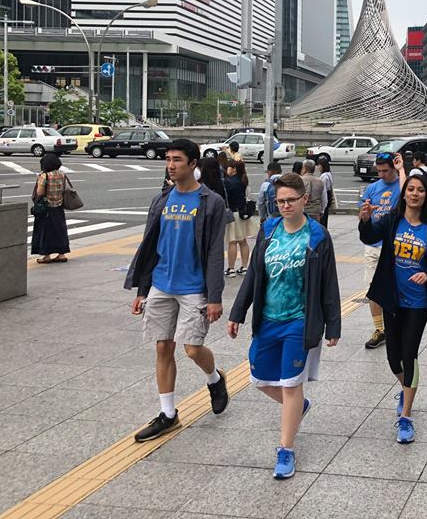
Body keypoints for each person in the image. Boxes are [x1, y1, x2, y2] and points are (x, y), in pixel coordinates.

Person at [227, 172, 342, 479]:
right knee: (261, 380)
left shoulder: (317, 236)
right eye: (280, 201)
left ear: (304, 199)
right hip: (268, 319)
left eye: (291, 200)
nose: (285, 206)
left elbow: (328, 283)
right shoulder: (268, 229)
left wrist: (333, 325)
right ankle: (299, 407)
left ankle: (286, 450)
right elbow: (253, 275)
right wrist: (237, 313)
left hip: (299, 321)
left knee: (290, 383)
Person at [125, 138, 230, 442]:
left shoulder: (210, 202)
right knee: (162, 347)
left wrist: (214, 297)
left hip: (193, 288)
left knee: (193, 349)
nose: (170, 165)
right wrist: (142, 290)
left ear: (193, 164)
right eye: (168, 159)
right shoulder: (161, 200)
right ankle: (168, 414)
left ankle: (215, 379)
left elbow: (213, 252)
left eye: (177, 160)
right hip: (161, 283)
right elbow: (149, 247)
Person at [359, 173, 427, 444]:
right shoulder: (391, 221)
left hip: (418, 304)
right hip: (392, 300)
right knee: (392, 358)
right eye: (410, 189)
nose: (414, 194)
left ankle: (406, 417)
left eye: (420, 190)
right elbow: (369, 236)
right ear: (404, 193)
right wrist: (364, 219)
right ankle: (405, 387)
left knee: (409, 356)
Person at [360, 151, 406, 349]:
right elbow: (362, 215)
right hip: (373, 244)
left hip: (395, 245)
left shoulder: (402, 184)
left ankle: (397, 325)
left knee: (398, 286)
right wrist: (365, 216)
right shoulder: (372, 188)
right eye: (378, 171)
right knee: (373, 289)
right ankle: (380, 329)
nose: (381, 175)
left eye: (385, 171)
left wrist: (401, 169)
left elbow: (406, 193)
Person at [31, 153, 70, 264]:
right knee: (59, 230)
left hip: (46, 208)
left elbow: (40, 192)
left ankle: (46, 256)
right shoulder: (62, 174)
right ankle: (61, 254)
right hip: (58, 206)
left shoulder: (45, 176)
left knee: (45, 231)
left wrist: (39, 180)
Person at [224, 160, 257, 276]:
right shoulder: (243, 180)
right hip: (243, 213)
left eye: (228, 167)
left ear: (234, 169)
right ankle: (244, 267)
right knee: (243, 241)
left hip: (234, 214)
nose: (227, 169)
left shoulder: (230, 182)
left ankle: (231, 268)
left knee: (232, 241)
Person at [316, 156, 334, 227]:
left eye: (319, 165)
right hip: (328, 194)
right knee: (325, 217)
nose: (318, 167)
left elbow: (322, 188)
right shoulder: (329, 174)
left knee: (323, 218)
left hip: (325, 194)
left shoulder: (324, 176)